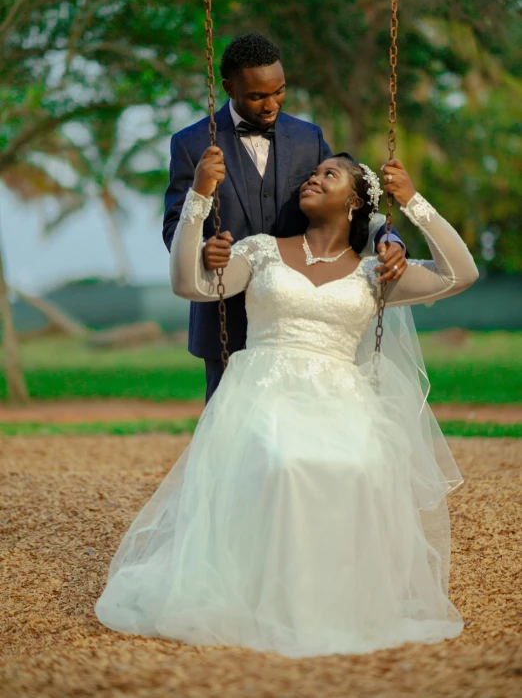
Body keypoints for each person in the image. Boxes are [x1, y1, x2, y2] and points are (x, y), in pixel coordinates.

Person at [95, 150, 478, 657]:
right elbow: (187, 283)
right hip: (263, 394)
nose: (313, 179)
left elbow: (462, 274)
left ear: (357, 201)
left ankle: (332, 599)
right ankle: (262, 595)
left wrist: (411, 201)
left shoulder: (378, 272)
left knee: (361, 466)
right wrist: (200, 196)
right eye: (312, 173)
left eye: (329, 174)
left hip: (342, 400)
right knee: (285, 462)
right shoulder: (261, 251)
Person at [163, 32, 407, 401]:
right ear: (228, 87)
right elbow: (175, 223)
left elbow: (350, 201)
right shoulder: (191, 143)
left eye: (279, 91)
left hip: (295, 311)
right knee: (228, 429)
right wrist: (200, 251)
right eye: (257, 96)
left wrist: (388, 237)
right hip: (225, 315)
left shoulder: (308, 137)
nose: (270, 104)